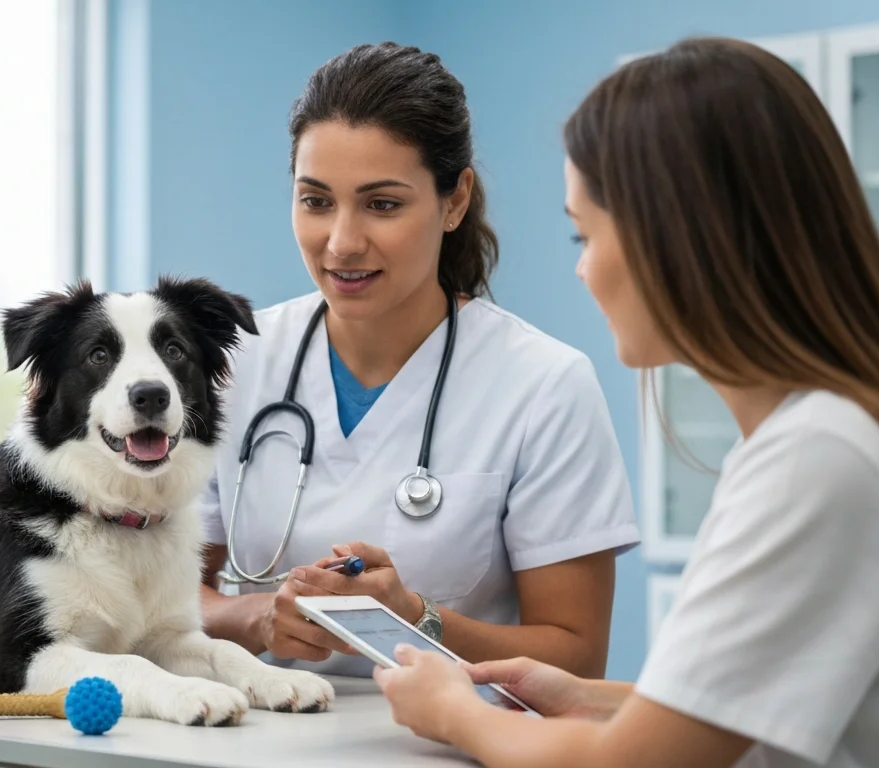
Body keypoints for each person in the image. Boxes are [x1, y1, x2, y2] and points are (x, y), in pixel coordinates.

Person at [375, 36, 879, 767]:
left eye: (586, 234)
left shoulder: (821, 460)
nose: (581, 270)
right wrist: (595, 698)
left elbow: (633, 766)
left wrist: (455, 713)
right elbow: (757, 708)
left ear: (676, 237)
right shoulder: (842, 432)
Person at [196, 41, 641, 680]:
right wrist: (256, 617)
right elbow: (159, 599)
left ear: (454, 200)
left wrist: (414, 616)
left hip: (450, 746)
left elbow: (576, 656)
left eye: (382, 204)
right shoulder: (234, 364)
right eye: (316, 201)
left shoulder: (543, 385)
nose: (342, 243)